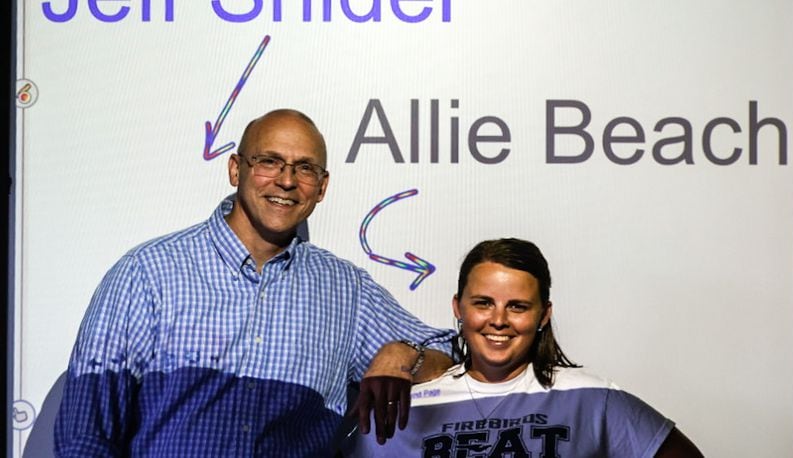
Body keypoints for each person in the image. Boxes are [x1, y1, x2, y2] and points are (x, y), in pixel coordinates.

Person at [53, 109, 454, 457]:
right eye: (270, 162)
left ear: (323, 187)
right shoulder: (148, 272)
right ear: (235, 169)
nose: (286, 181)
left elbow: (448, 354)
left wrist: (404, 354)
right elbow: (87, 433)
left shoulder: (346, 290)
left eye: (305, 168)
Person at [347, 238, 703, 457]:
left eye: (517, 306)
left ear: (543, 315)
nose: (498, 320)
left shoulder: (590, 397)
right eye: (483, 303)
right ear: (458, 308)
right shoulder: (411, 405)